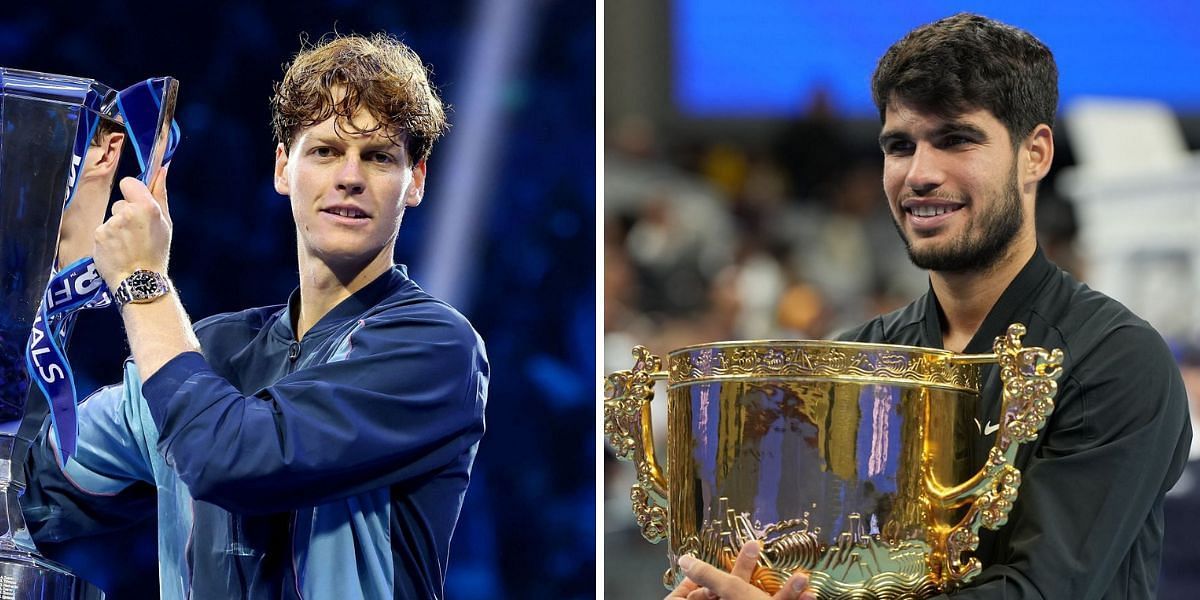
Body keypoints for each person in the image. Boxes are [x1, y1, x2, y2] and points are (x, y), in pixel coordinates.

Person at [668, 13, 1190, 599]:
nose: (919, 173)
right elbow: (820, 575)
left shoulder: (1113, 359)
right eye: (900, 146)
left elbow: (1043, 591)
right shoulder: (854, 357)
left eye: (956, 139)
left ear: (1035, 154)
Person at [21, 33, 489, 600]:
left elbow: (236, 458)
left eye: (379, 156)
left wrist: (143, 284)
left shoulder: (433, 349)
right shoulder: (212, 349)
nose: (350, 176)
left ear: (414, 181)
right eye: (324, 151)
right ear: (283, 168)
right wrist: (43, 257)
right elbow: (38, 484)